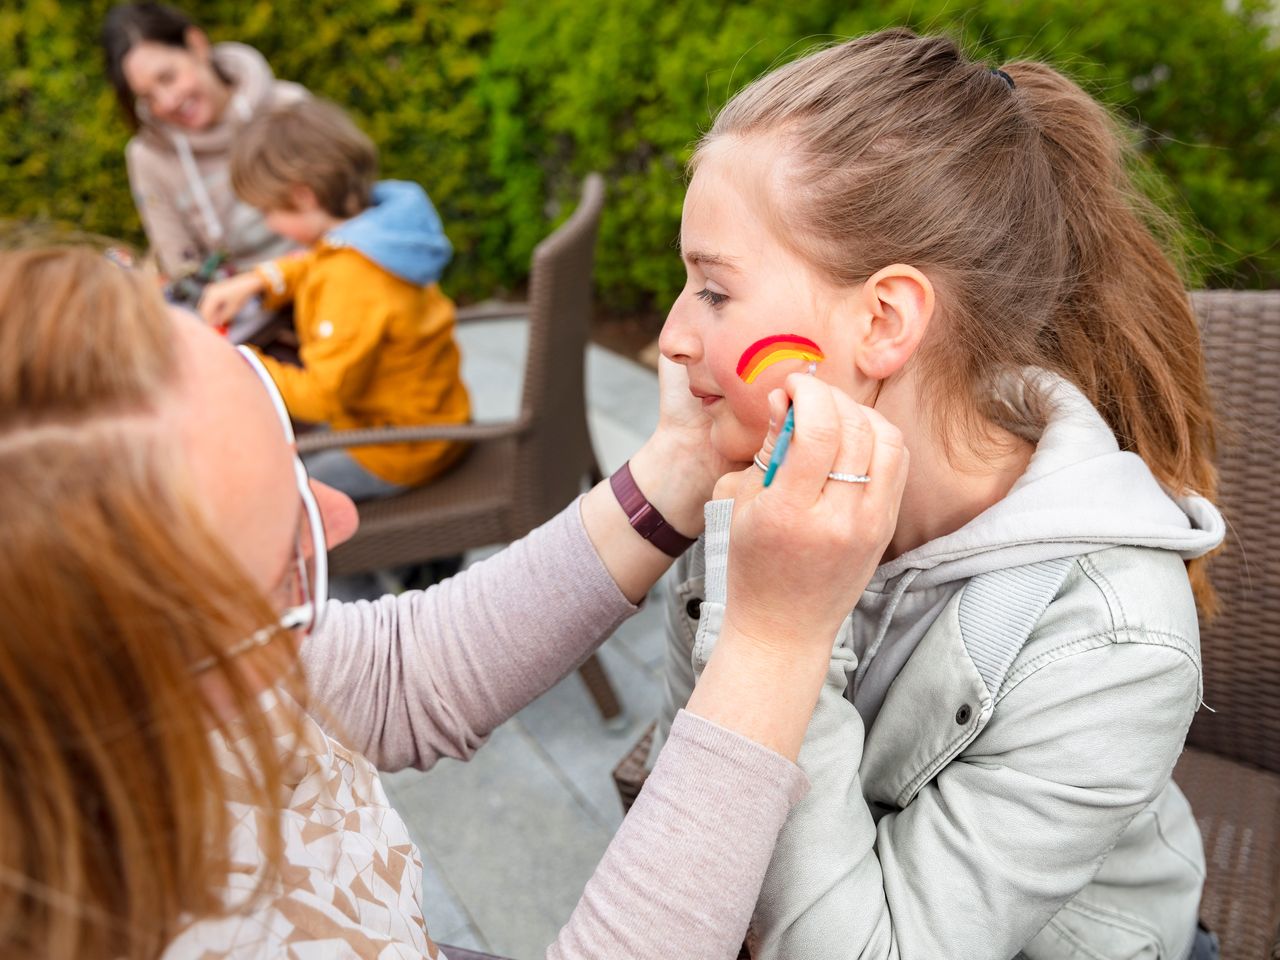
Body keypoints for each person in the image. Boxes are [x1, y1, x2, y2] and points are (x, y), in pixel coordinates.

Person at [0, 245, 907, 959]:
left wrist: (674, 472)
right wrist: (776, 644)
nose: (342, 514)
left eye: (286, 440)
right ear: (123, 688)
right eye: (293, 561)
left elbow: (400, 673)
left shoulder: (158, 690)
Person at [650, 29, 1224, 960]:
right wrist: (723, 551)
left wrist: (788, 630)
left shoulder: (1116, 638)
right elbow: (706, 792)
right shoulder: (759, 484)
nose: (674, 338)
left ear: (882, 322)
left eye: (714, 293)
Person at [197, 98, 467, 499]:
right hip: (433, 416)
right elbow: (317, 262)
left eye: (267, 210)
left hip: (402, 446)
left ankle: (371, 561)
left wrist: (243, 364)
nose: (269, 222)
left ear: (304, 197)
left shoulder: (351, 279)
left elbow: (321, 398)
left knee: (277, 490)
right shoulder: (381, 230)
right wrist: (261, 280)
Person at [102, 3, 306, 310]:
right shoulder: (148, 156)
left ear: (196, 45)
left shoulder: (290, 108)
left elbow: (343, 228)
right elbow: (182, 267)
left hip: (323, 284)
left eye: (168, 77)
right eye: (147, 97)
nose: (167, 102)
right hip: (243, 316)